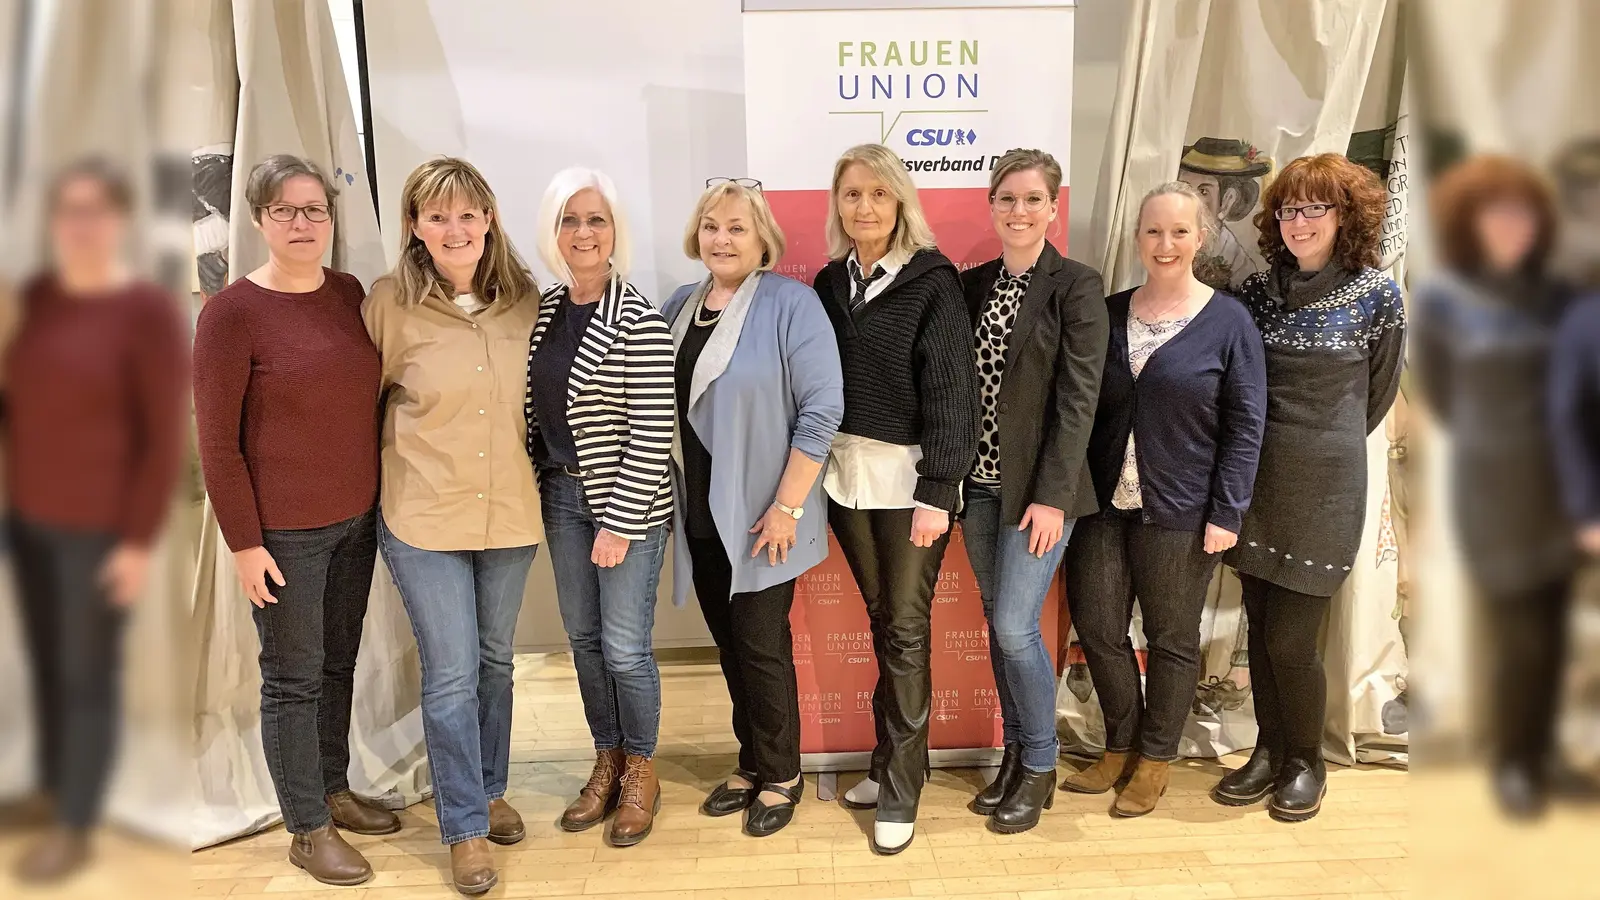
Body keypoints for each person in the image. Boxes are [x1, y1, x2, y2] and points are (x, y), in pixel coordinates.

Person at [194, 155, 396, 887]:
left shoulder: (347, 294)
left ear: (331, 220)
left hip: (357, 521)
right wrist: (246, 545)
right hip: (283, 536)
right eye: (285, 211)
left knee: (338, 663)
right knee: (292, 679)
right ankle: (306, 828)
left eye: (314, 210)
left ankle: (333, 790)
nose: (302, 223)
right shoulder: (231, 313)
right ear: (259, 220)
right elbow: (216, 442)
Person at [0, 158, 186, 883]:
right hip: (28, 520)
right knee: (45, 666)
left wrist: (137, 542)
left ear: (117, 222)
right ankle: (52, 792)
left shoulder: (144, 313)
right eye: (67, 211)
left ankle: (76, 823)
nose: (80, 225)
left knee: (86, 674)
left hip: (101, 530)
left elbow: (160, 436)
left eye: (94, 211)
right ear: (53, 223)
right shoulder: (35, 300)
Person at [363, 157, 544, 895]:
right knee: (452, 674)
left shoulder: (526, 301)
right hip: (423, 515)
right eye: (437, 215)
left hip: (509, 514)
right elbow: (358, 410)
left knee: (497, 664)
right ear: (414, 226)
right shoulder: (386, 304)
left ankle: (489, 786)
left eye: (468, 214)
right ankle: (465, 828)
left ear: (490, 220)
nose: (454, 228)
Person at [1063, 181, 1267, 817]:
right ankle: (1121, 746)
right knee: (1097, 627)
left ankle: (1155, 759)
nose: (1166, 243)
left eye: (1179, 231)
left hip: (1183, 513)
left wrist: (1227, 512)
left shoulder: (1229, 321)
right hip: (1101, 506)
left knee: (1173, 638)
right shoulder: (1110, 310)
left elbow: (1246, 423)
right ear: (1137, 239)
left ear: (1200, 237)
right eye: (1154, 231)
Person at [1216, 153, 1406, 822]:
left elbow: (1375, 397)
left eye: (1315, 208)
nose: (1299, 222)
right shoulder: (1254, 293)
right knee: (1262, 626)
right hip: (1256, 482)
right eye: (1289, 209)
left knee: (1293, 639)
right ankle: (1268, 752)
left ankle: (1306, 763)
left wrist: (1322, 445)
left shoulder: (1376, 295)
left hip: (1327, 487)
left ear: (1344, 216)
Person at [662, 178, 844, 837]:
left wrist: (787, 509)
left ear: (763, 237)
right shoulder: (680, 306)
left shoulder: (791, 305)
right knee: (732, 648)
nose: (722, 238)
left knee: (762, 646)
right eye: (711, 225)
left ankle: (782, 773)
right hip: (701, 515)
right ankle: (751, 760)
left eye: (737, 227)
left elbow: (822, 410)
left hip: (766, 514)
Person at [813, 143, 981, 855]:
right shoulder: (828, 283)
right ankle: (886, 765)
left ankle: (905, 786)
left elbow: (953, 392)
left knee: (907, 632)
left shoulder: (931, 281)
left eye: (878, 194)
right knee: (885, 621)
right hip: (845, 478)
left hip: (911, 482)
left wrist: (940, 490)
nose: (864, 207)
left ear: (901, 203)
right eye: (851, 194)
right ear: (838, 204)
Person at [1412, 156, 1576, 816]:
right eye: (1495, 213)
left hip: (1563, 484)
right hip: (1492, 486)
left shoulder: (1562, 296)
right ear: (1470, 223)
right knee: (1517, 633)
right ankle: (1512, 761)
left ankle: (1542, 754)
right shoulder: (1446, 300)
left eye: (1522, 212)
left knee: (1554, 629)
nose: (1511, 225)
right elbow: (1444, 397)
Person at [957, 149, 1108, 832]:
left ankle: (1041, 764)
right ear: (992, 207)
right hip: (980, 488)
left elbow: (1080, 401)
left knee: (1016, 626)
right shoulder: (973, 283)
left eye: (1032, 199)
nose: (1019, 211)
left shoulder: (1076, 286)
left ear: (1053, 207)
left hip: (1040, 494)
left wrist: (1050, 496)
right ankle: (1017, 753)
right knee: (1000, 622)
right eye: (1007, 199)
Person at [527, 167, 675, 848]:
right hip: (562, 493)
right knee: (583, 641)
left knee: (622, 646)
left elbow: (652, 428)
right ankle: (606, 758)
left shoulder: (638, 318)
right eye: (569, 220)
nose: (583, 233)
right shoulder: (547, 311)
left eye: (596, 220)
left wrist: (618, 520)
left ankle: (642, 768)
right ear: (552, 231)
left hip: (627, 502)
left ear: (616, 231)